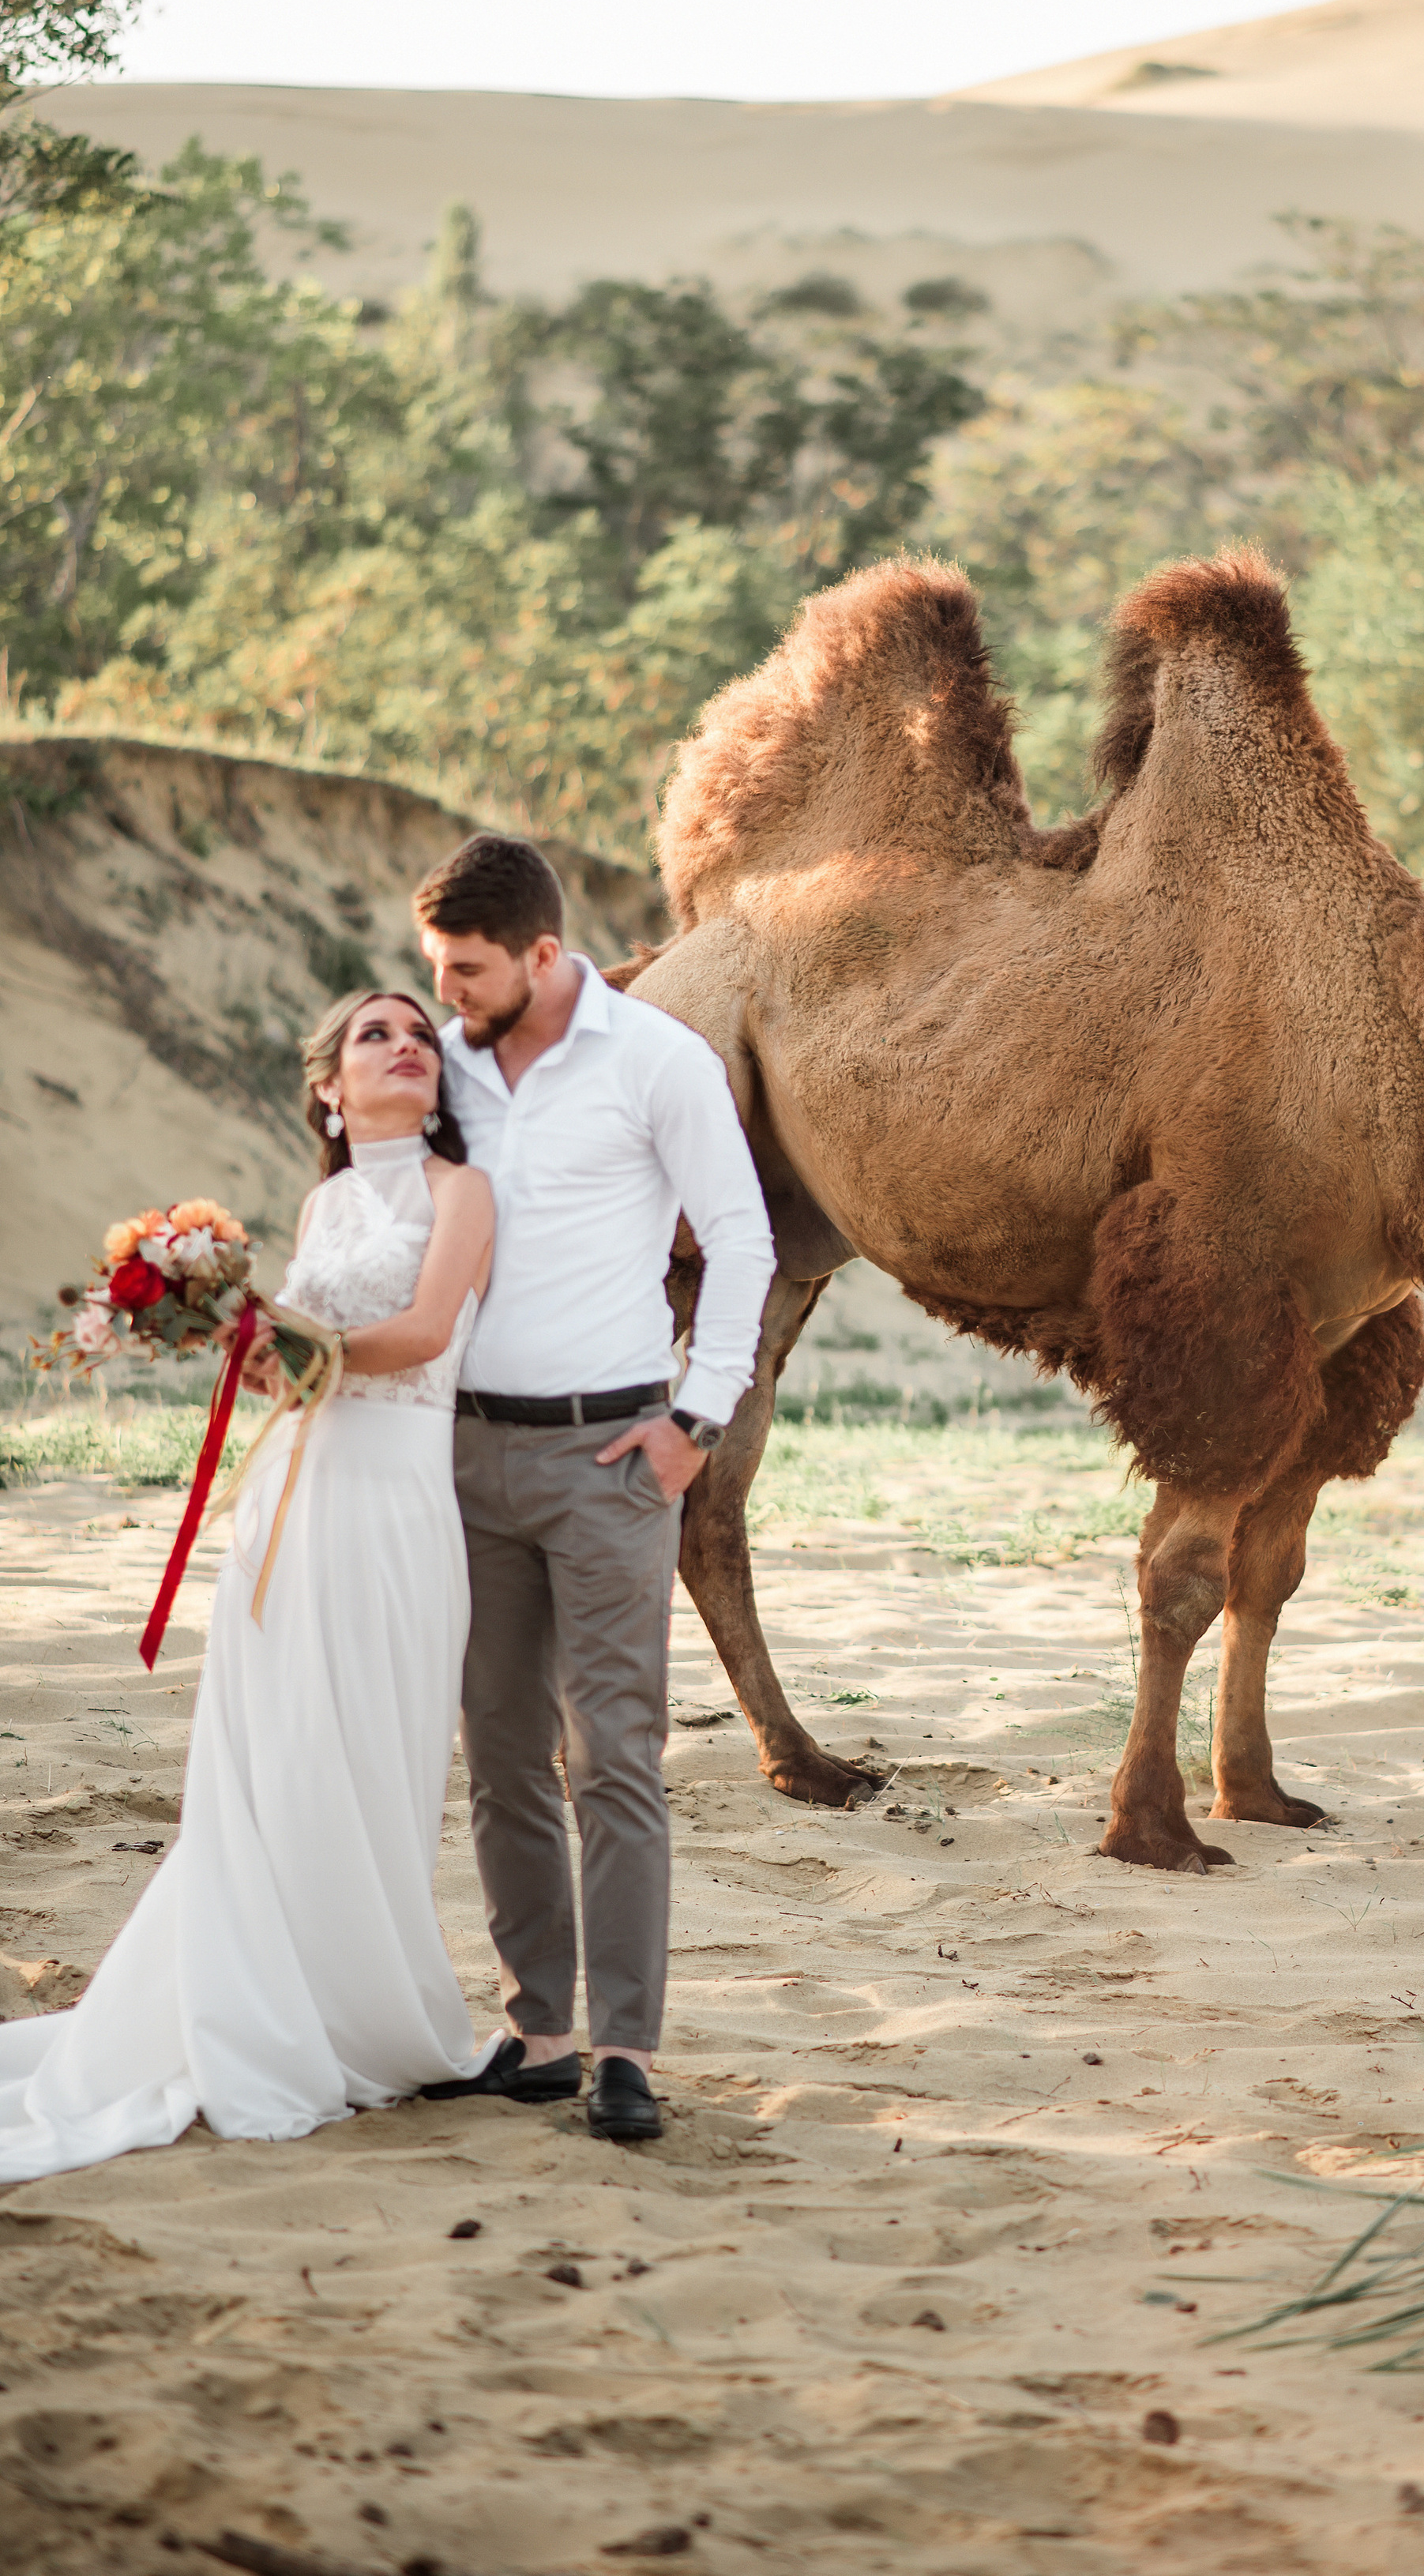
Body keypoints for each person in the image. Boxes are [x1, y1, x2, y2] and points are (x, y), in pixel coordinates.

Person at [0, 991, 501, 2181]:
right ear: (330, 1085)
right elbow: (301, 1359)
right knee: (272, 1753)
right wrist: (241, 1335)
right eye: (378, 1034)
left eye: (422, 1034)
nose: (407, 1047)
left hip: (392, 1499)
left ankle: (356, 2004)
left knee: (370, 1750)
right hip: (295, 1490)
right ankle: (261, 1994)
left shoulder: (458, 1192)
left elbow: (428, 1330)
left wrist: (286, 1333)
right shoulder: (327, 1201)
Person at [411, 834, 774, 2145]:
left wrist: (697, 1419)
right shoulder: (440, 1066)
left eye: (469, 970)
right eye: (438, 970)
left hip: (615, 1456)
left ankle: (625, 2047)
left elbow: (742, 1238)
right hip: (465, 1455)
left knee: (613, 1752)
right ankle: (543, 2032)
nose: (449, 994)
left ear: (544, 955)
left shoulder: (657, 1060)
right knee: (500, 1753)